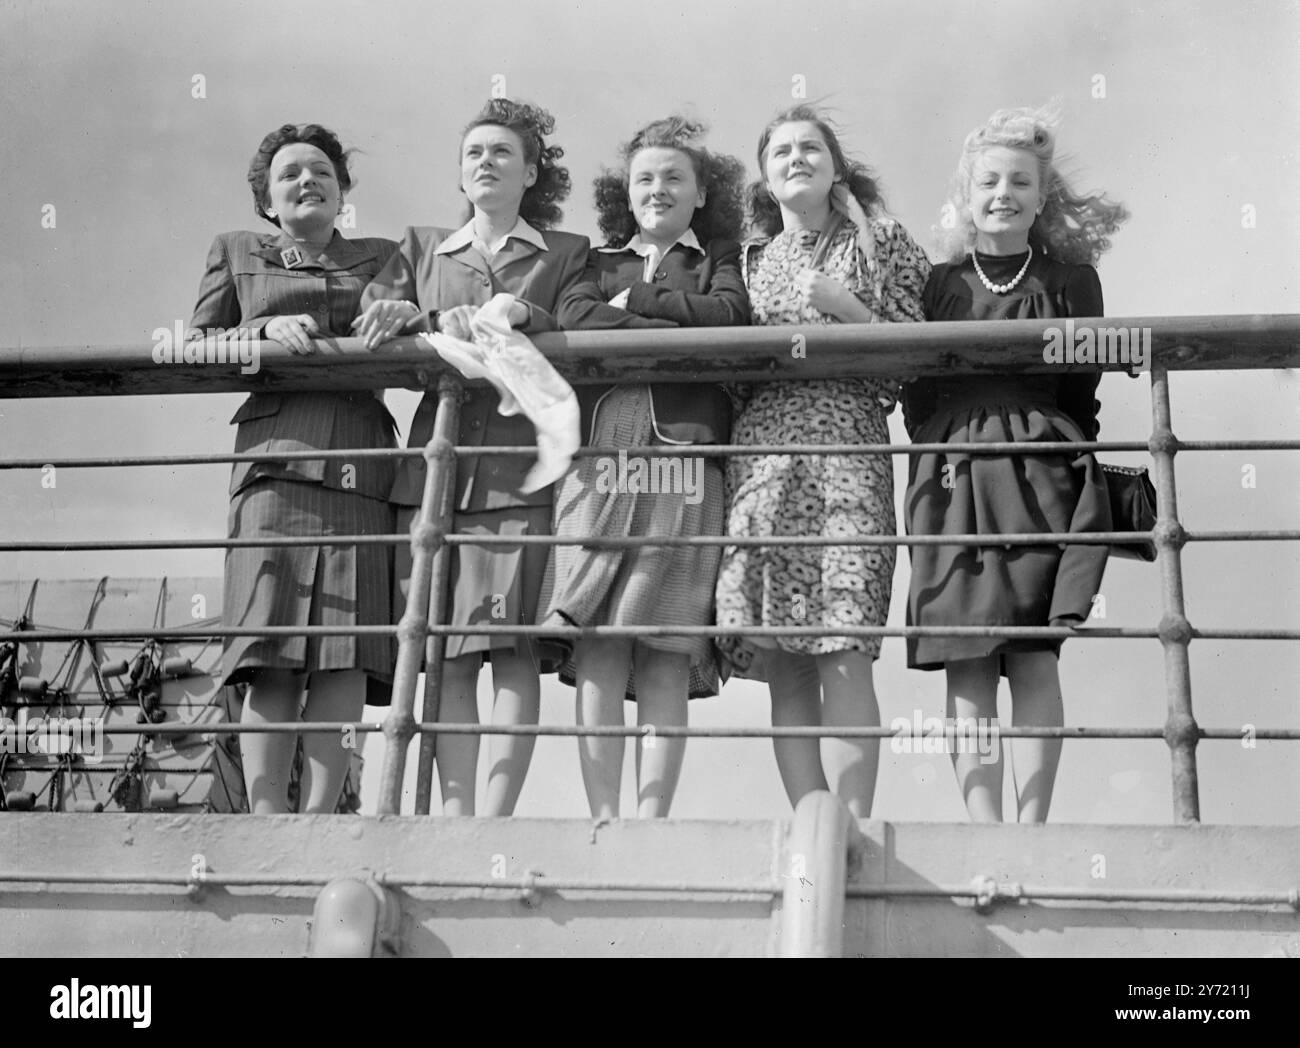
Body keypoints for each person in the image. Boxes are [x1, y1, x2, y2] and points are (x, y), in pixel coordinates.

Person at [355, 99, 589, 816]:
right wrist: (403, 318)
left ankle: (496, 819)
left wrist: (528, 315)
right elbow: (376, 318)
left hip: (522, 469)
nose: (484, 162)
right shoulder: (423, 248)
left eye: (500, 152)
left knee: (511, 647)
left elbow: (580, 319)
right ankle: (455, 817)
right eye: (473, 153)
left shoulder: (566, 251)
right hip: (437, 473)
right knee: (447, 650)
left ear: (531, 170)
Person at [903, 104, 1128, 823]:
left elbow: (1081, 388)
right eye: (989, 182)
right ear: (968, 197)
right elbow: (916, 390)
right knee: (966, 655)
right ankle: (983, 833)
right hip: (951, 474)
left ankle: (1032, 830)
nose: (1003, 193)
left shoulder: (1072, 279)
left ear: (1041, 196)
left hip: (1039, 470)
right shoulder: (938, 285)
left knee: (1033, 652)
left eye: (1020, 182)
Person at [714, 106, 930, 818]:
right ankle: (810, 825)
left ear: (838, 167)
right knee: (785, 656)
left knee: (844, 640)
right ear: (765, 175)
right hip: (764, 457)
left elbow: (919, 355)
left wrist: (849, 312)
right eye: (781, 151)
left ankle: (853, 826)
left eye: (812, 147)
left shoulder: (883, 240)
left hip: (848, 450)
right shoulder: (749, 262)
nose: (797, 157)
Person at [189, 123, 399, 814]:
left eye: (321, 172)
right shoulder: (237, 251)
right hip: (275, 466)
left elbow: (413, 328)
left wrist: (402, 314)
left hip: (361, 465)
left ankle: (320, 820)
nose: (306, 181)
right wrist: (259, 333)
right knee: (269, 643)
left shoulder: (382, 256)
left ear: (343, 192)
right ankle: (266, 819)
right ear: (267, 198)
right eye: (289, 174)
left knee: (345, 649)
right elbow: (192, 343)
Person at [544, 116, 749, 818]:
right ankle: (604, 817)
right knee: (598, 637)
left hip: (685, 456)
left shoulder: (719, 259)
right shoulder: (594, 263)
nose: (657, 189)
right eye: (644, 178)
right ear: (623, 194)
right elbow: (572, 316)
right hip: (600, 455)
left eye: (673, 177)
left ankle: (655, 821)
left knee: (664, 640)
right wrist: (670, 331)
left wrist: (639, 306)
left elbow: (729, 318)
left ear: (700, 194)